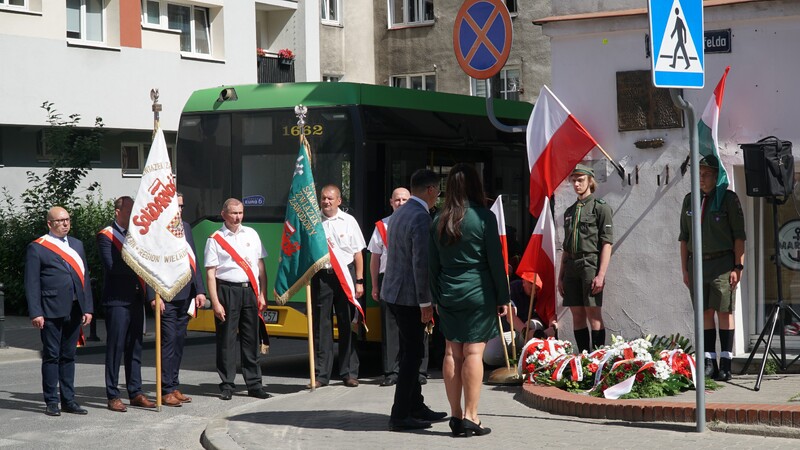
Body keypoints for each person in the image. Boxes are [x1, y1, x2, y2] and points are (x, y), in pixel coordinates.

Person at [429, 163, 509, 437]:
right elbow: (496, 263)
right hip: (478, 291)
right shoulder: (484, 218)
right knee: (474, 353)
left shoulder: (438, 219)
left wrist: (436, 297)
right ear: (476, 186)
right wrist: (503, 296)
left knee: (452, 352)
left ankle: (455, 415)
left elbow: (431, 265)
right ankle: (471, 416)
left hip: (448, 291)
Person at [381, 170, 447, 432]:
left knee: (411, 350)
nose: (438, 196)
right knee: (413, 355)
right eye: (438, 191)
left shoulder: (400, 213)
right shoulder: (420, 217)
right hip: (409, 297)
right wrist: (425, 304)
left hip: (395, 293)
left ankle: (416, 405)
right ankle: (399, 415)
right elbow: (421, 264)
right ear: (430, 190)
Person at [679, 155, 745, 382]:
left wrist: (738, 266)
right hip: (697, 264)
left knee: (724, 312)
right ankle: (709, 362)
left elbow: (739, 237)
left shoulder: (727, 199)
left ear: (717, 176)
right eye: (699, 173)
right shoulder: (690, 201)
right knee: (705, 312)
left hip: (722, 264)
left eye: (706, 174)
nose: (702, 178)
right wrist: (685, 270)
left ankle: (726, 362)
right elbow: (684, 238)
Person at [25, 206, 94, 417]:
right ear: (50, 224)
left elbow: (85, 280)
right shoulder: (37, 247)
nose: (65, 224)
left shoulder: (77, 245)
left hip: (74, 309)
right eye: (60, 221)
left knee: (68, 355)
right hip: (50, 309)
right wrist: (36, 312)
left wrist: (88, 307)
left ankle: (69, 400)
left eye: (67, 220)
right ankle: (52, 401)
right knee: (52, 355)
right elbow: (31, 283)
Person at [205, 198, 271, 400]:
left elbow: (260, 268)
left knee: (251, 339)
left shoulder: (252, 233)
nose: (238, 217)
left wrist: (262, 293)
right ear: (224, 214)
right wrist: (215, 302)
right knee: (226, 340)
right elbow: (210, 273)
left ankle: (254, 384)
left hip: (249, 290)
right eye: (234, 213)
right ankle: (227, 385)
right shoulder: (215, 239)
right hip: (227, 291)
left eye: (240, 213)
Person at [146, 193, 207, 406]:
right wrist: (153, 295)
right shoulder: (156, 230)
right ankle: (165, 390)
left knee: (179, 342)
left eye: (181, 206)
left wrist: (200, 290)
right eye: (176, 206)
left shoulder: (186, 227)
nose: (179, 210)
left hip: (186, 295)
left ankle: (174, 384)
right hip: (166, 296)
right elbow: (148, 267)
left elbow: (194, 261)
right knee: (168, 343)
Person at [369, 187, 431, 387]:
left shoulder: (417, 219)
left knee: (420, 331)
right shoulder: (382, 225)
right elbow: (375, 258)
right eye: (397, 200)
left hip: (413, 282)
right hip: (390, 281)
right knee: (391, 329)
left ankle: (420, 371)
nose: (401, 203)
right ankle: (391, 371)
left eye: (405, 199)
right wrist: (375, 285)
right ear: (391, 202)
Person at [98, 196, 154, 412]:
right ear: (117, 211)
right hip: (117, 300)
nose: (133, 215)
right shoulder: (106, 236)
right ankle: (112, 394)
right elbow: (113, 266)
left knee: (135, 348)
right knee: (115, 348)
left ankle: (136, 391)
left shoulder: (137, 236)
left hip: (135, 299)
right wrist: (140, 265)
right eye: (129, 211)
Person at [309, 184, 366, 388]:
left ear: (339, 201)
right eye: (323, 198)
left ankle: (349, 372)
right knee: (321, 326)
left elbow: (358, 253)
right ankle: (321, 375)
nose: (326, 202)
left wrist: (359, 281)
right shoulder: (313, 222)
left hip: (346, 276)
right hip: (322, 278)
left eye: (330, 198)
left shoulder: (349, 221)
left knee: (347, 324)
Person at [558, 164, 613, 353]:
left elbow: (607, 243)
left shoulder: (600, 208)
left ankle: (597, 360)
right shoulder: (570, 211)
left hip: (590, 264)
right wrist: (560, 276)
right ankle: (583, 358)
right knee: (577, 314)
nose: (576, 184)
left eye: (580, 180)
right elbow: (566, 246)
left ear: (590, 181)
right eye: (574, 180)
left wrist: (601, 275)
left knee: (593, 314)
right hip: (571, 265)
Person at [483, 272, 553, 367]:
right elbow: (510, 317)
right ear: (524, 282)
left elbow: (552, 315)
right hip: (513, 332)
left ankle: (531, 360)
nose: (534, 289)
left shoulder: (544, 291)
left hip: (534, 330)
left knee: (531, 323)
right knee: (489, 356)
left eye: (536, 287)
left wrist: (553, 327)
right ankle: (514, 362)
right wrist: (526, 332)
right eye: (530, 284)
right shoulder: (513, 289)